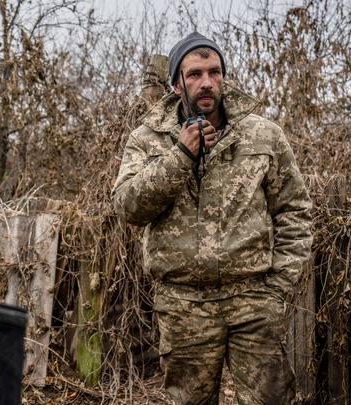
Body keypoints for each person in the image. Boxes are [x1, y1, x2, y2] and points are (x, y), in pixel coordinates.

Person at [112, 31, 313, 404]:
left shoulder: (262, 135)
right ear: (175, 84)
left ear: (223, 75)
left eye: (214, 71)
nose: (206, 82)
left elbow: (294, 211)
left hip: (254, 302)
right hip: (184, 305)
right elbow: (128, 207)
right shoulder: (148, 138)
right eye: (194, 74)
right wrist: (180, 157)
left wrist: (278, 286)